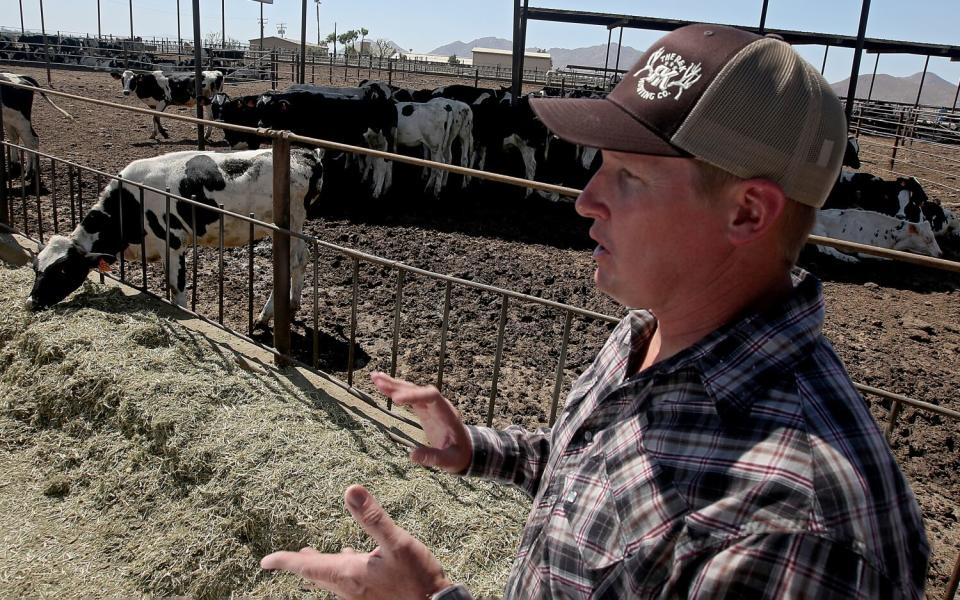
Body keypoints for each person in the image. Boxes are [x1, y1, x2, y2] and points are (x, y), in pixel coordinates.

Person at [261, 24, 930, 599]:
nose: (585, 199)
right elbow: (588, 473)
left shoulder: (793, 529)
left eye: (629, 176)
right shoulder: (652, 330)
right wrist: (481, 452)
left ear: (747, 212)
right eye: (599, 165)